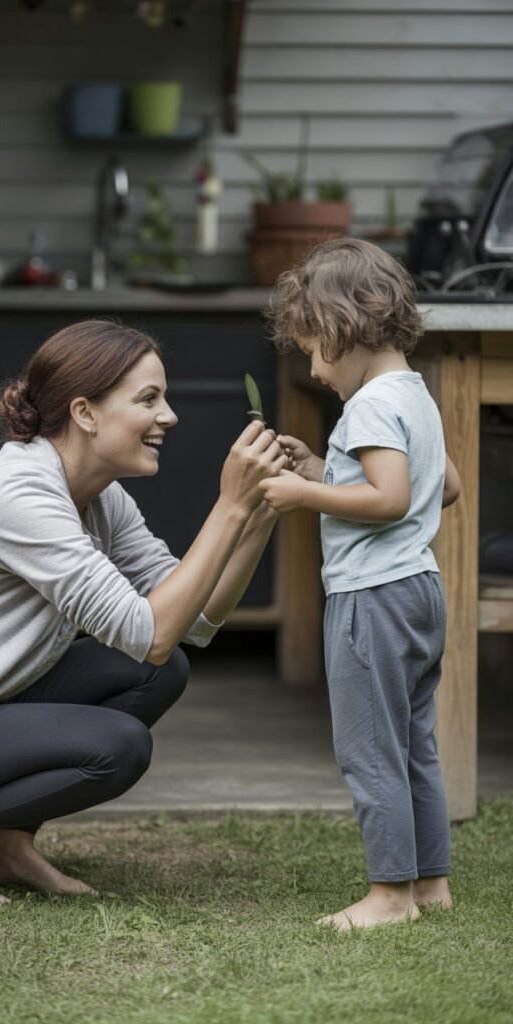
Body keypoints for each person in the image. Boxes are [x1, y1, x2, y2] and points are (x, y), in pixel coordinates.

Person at [0, 319, 287, 910]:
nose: (168, 416)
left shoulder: (97, 495)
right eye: (148, 399)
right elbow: (153, 632)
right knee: (116, 745)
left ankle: (1, 844)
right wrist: (229, 504)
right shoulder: (21, 497)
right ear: (86, 413)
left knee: (157, 674)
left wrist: (259, 512)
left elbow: (193, 620)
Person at [260, 238, 461, 931]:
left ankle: (390, 896)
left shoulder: (370, 406)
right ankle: (431, 884)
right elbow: (446, 487)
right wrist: (322, 468)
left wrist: (299, 493)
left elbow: (391, 499)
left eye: (314, 350)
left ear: (346, 328)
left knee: (370, 746)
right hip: (420, 594)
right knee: (413, 744)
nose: (314, 369)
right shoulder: (415, 396)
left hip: (371, 597)